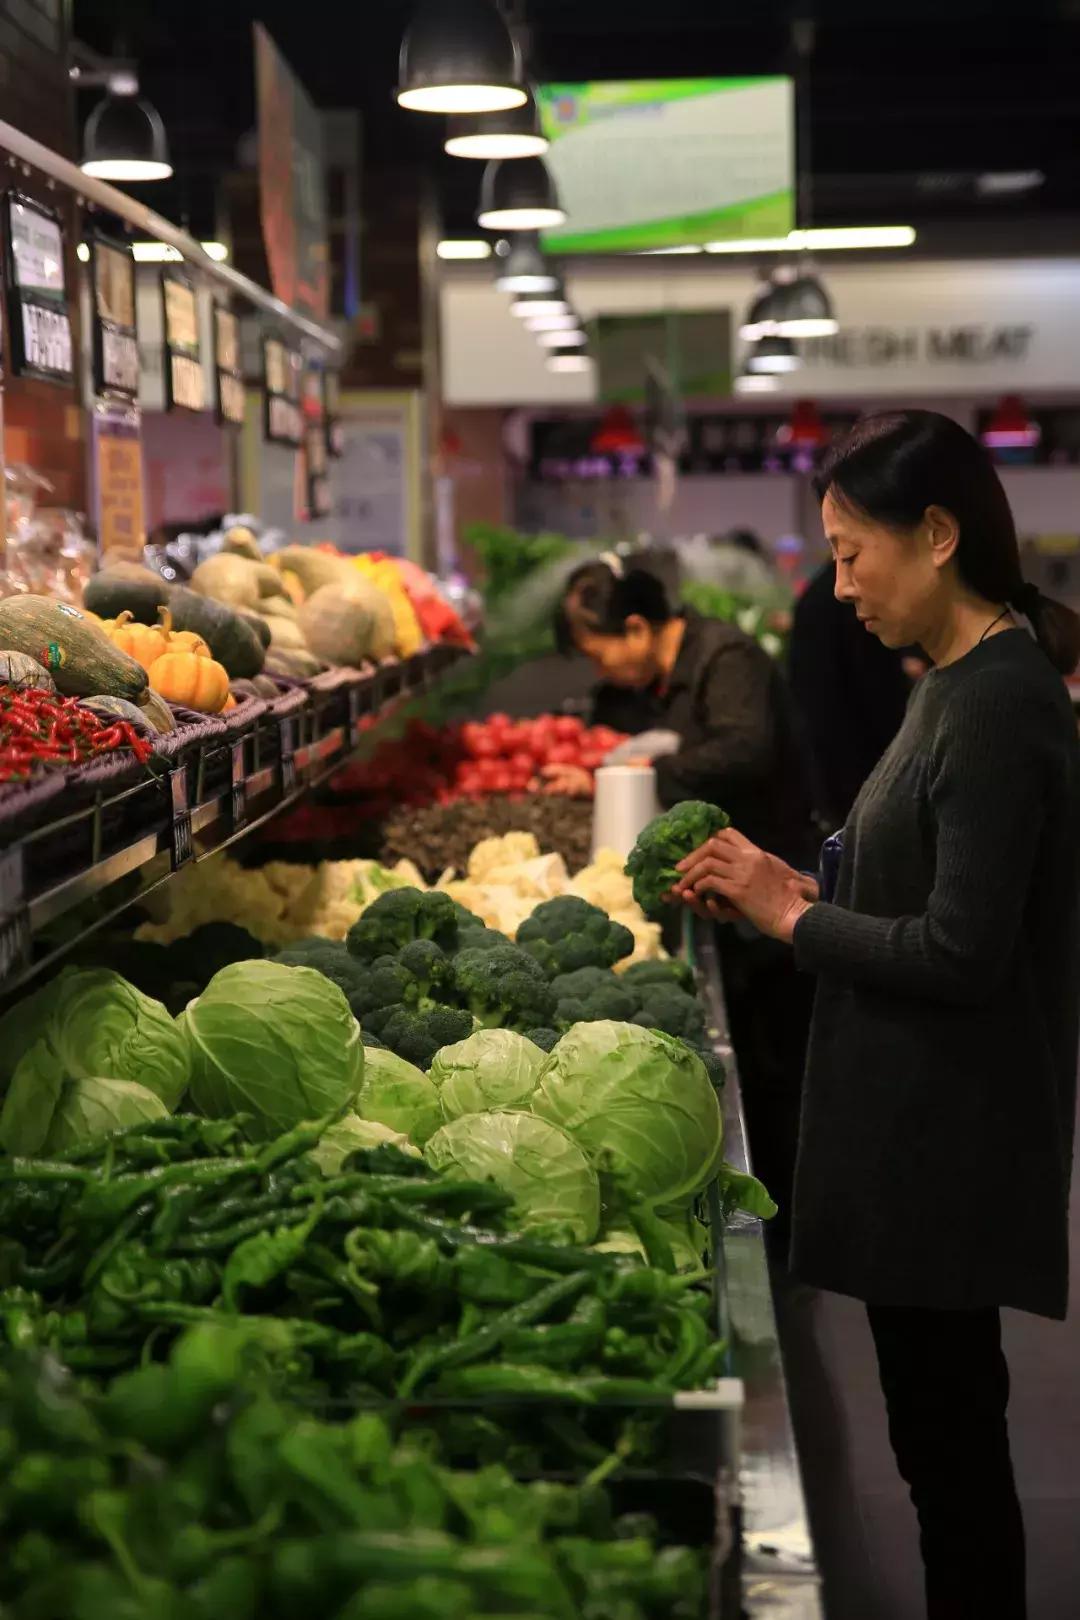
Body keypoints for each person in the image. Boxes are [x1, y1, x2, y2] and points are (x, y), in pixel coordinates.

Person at [671, 409, 1080, 1620]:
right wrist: (798, 886)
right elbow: (922, 885)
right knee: (936, 1437)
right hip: (922, 1120)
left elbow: (961, 950)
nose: (839, 585)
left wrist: (791, 922)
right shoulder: (953, 681)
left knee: (951, 1452)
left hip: (949, 1135)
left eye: (852, 553)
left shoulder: (998, 700)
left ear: (938, 535)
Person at [549, 560, 816, 1238]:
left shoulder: (725, 658)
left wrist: (649, 769)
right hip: (734, 899)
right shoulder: (676, 672)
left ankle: (788, 1227)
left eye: (599, 653)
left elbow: (746, 749)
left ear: (638, 629)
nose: (602, 670)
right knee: (757, 1061)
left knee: (775, 1066)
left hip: (779, 892)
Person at [788, 558, 915, 828]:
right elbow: (878, 692)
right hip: (863, 768)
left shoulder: (817, 594)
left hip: (831, 768)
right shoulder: (852, 601)